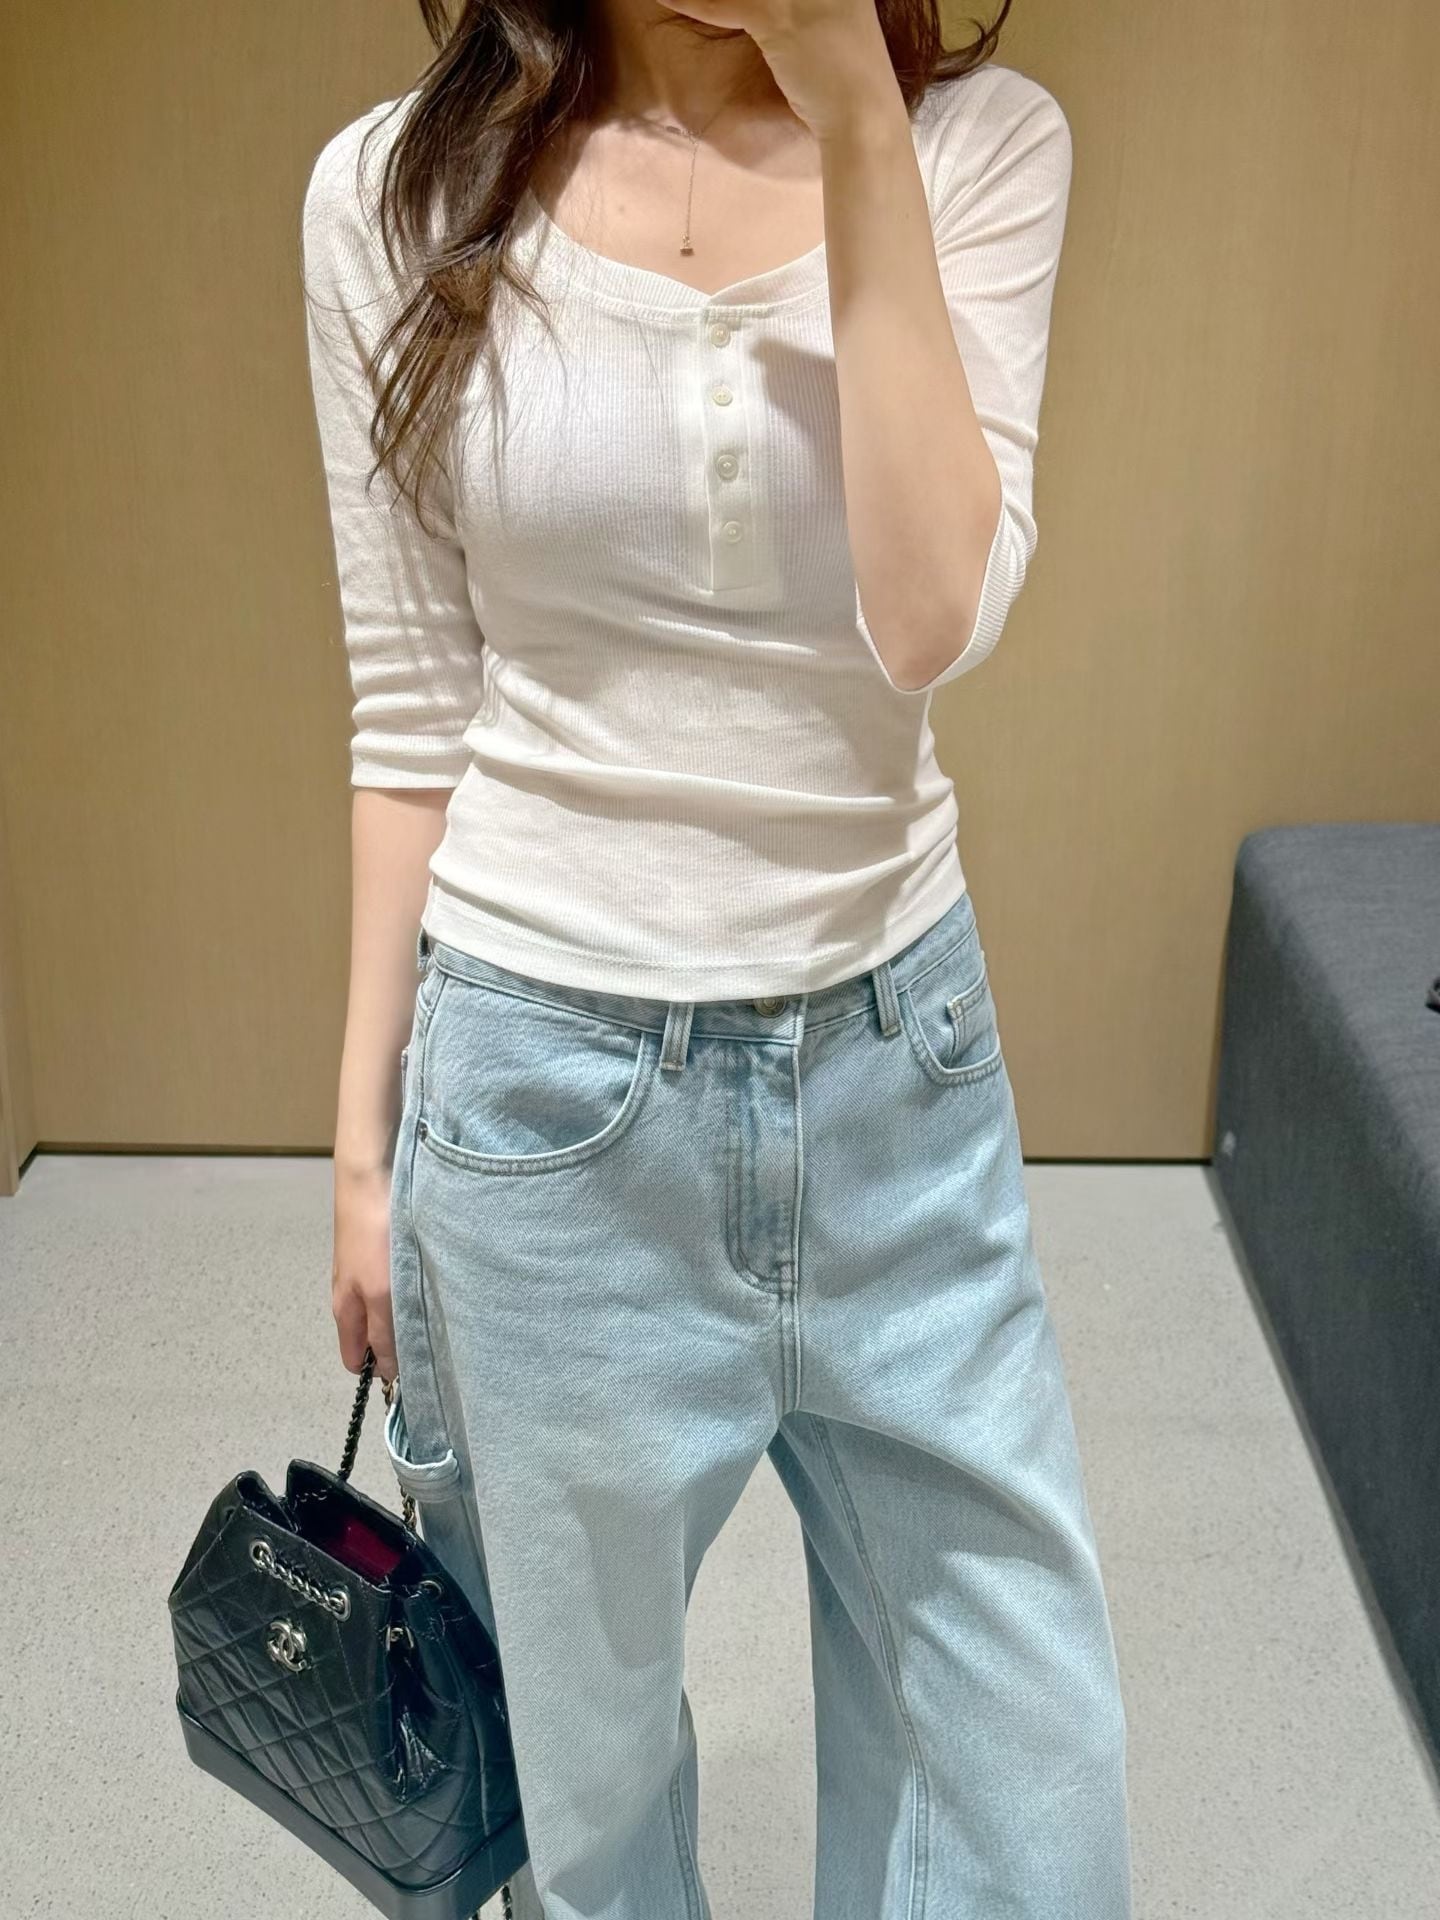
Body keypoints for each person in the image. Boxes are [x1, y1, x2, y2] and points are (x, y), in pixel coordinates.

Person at [301, 0, 1131, 1910]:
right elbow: (412, 714)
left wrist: (850, 101)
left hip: (895, 1078)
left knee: (1024, 1788)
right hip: (539, 1103)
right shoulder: (395, 192)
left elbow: (929, 616)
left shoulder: (979, 150)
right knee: (586, 1818)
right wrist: (362, 1153)